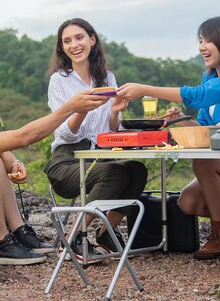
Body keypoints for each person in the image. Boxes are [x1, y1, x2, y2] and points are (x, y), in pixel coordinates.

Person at [117, 16, 220, 259]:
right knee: (187, 202)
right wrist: (182, 120)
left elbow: (201, 96)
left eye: (208, 40)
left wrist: (145, 89)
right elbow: (204, 128)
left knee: (204, 161)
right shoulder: (209, 77)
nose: (201, 47)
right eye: (200, 40)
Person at [0, 74, 110, 266]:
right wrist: (70, 108)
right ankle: (1, 243)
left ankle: (18, 230)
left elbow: (0, 150)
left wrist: (15, 163)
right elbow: (24, 137)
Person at [44, 18, 148, 261]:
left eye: (79, 38)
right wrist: (80, 108)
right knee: (115, 173)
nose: (74, 45)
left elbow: (113, 130)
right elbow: (64, 133)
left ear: (92, 40)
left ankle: (105, 234)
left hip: (100, 154)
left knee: (137, 170)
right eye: (67, 41)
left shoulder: (108, 78)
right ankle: (71, 239)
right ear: (62, 48)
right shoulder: (59, 80)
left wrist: (114, 111)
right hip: (67, 160)